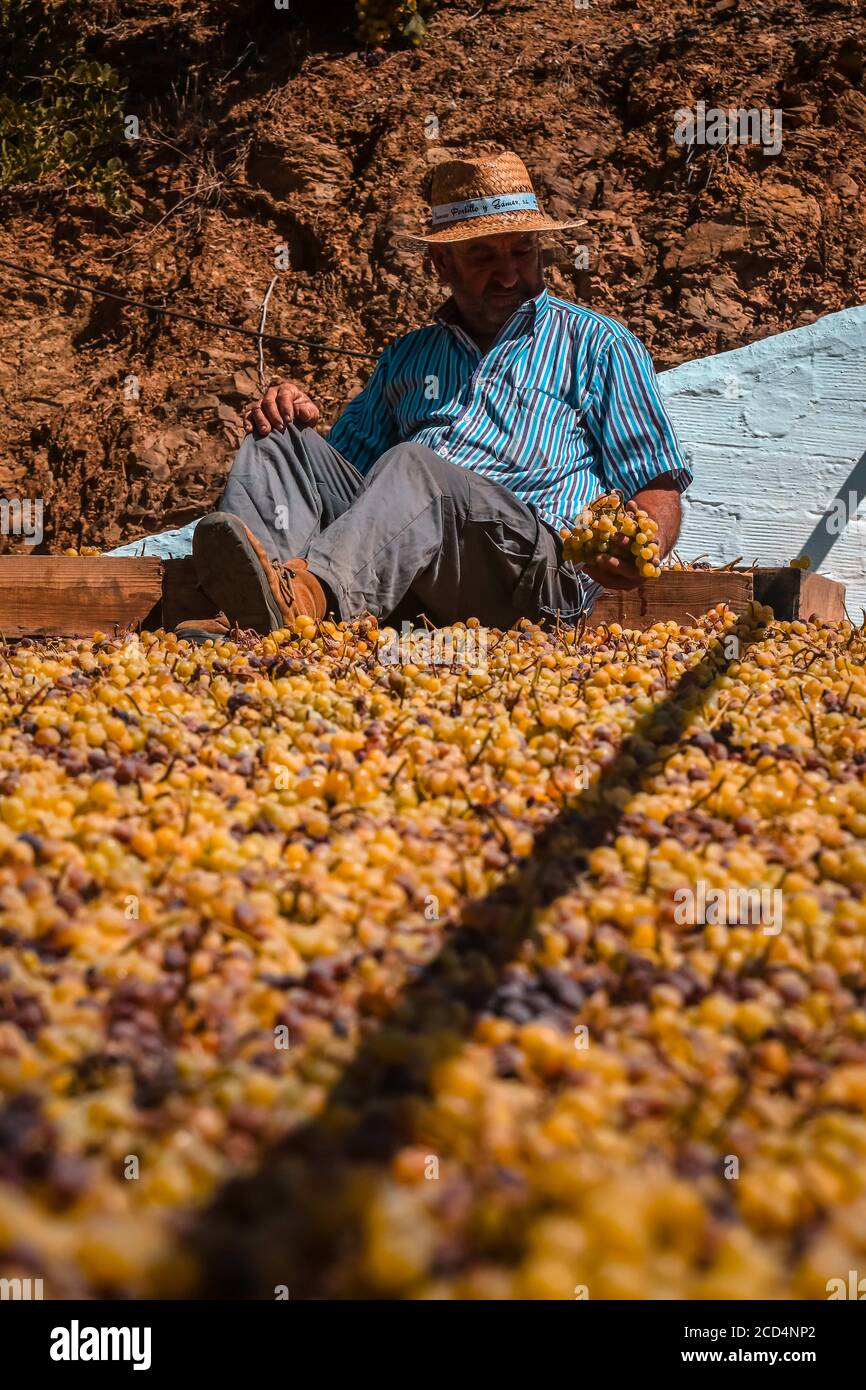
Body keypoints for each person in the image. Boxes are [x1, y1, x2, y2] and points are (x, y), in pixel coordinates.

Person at [159, 151, 692, 638]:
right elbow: (355, 490)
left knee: (416, 466)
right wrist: (300, 419)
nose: (509, 273)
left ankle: (305, 599)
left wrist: (639, 543)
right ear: (443, 265)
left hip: (528, 577)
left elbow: (658, 483)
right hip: (417, 574)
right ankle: (252, 610)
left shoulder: (597, 344)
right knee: (279, 439)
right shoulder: (407, 359)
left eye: (523, 251)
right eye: (484, 256)